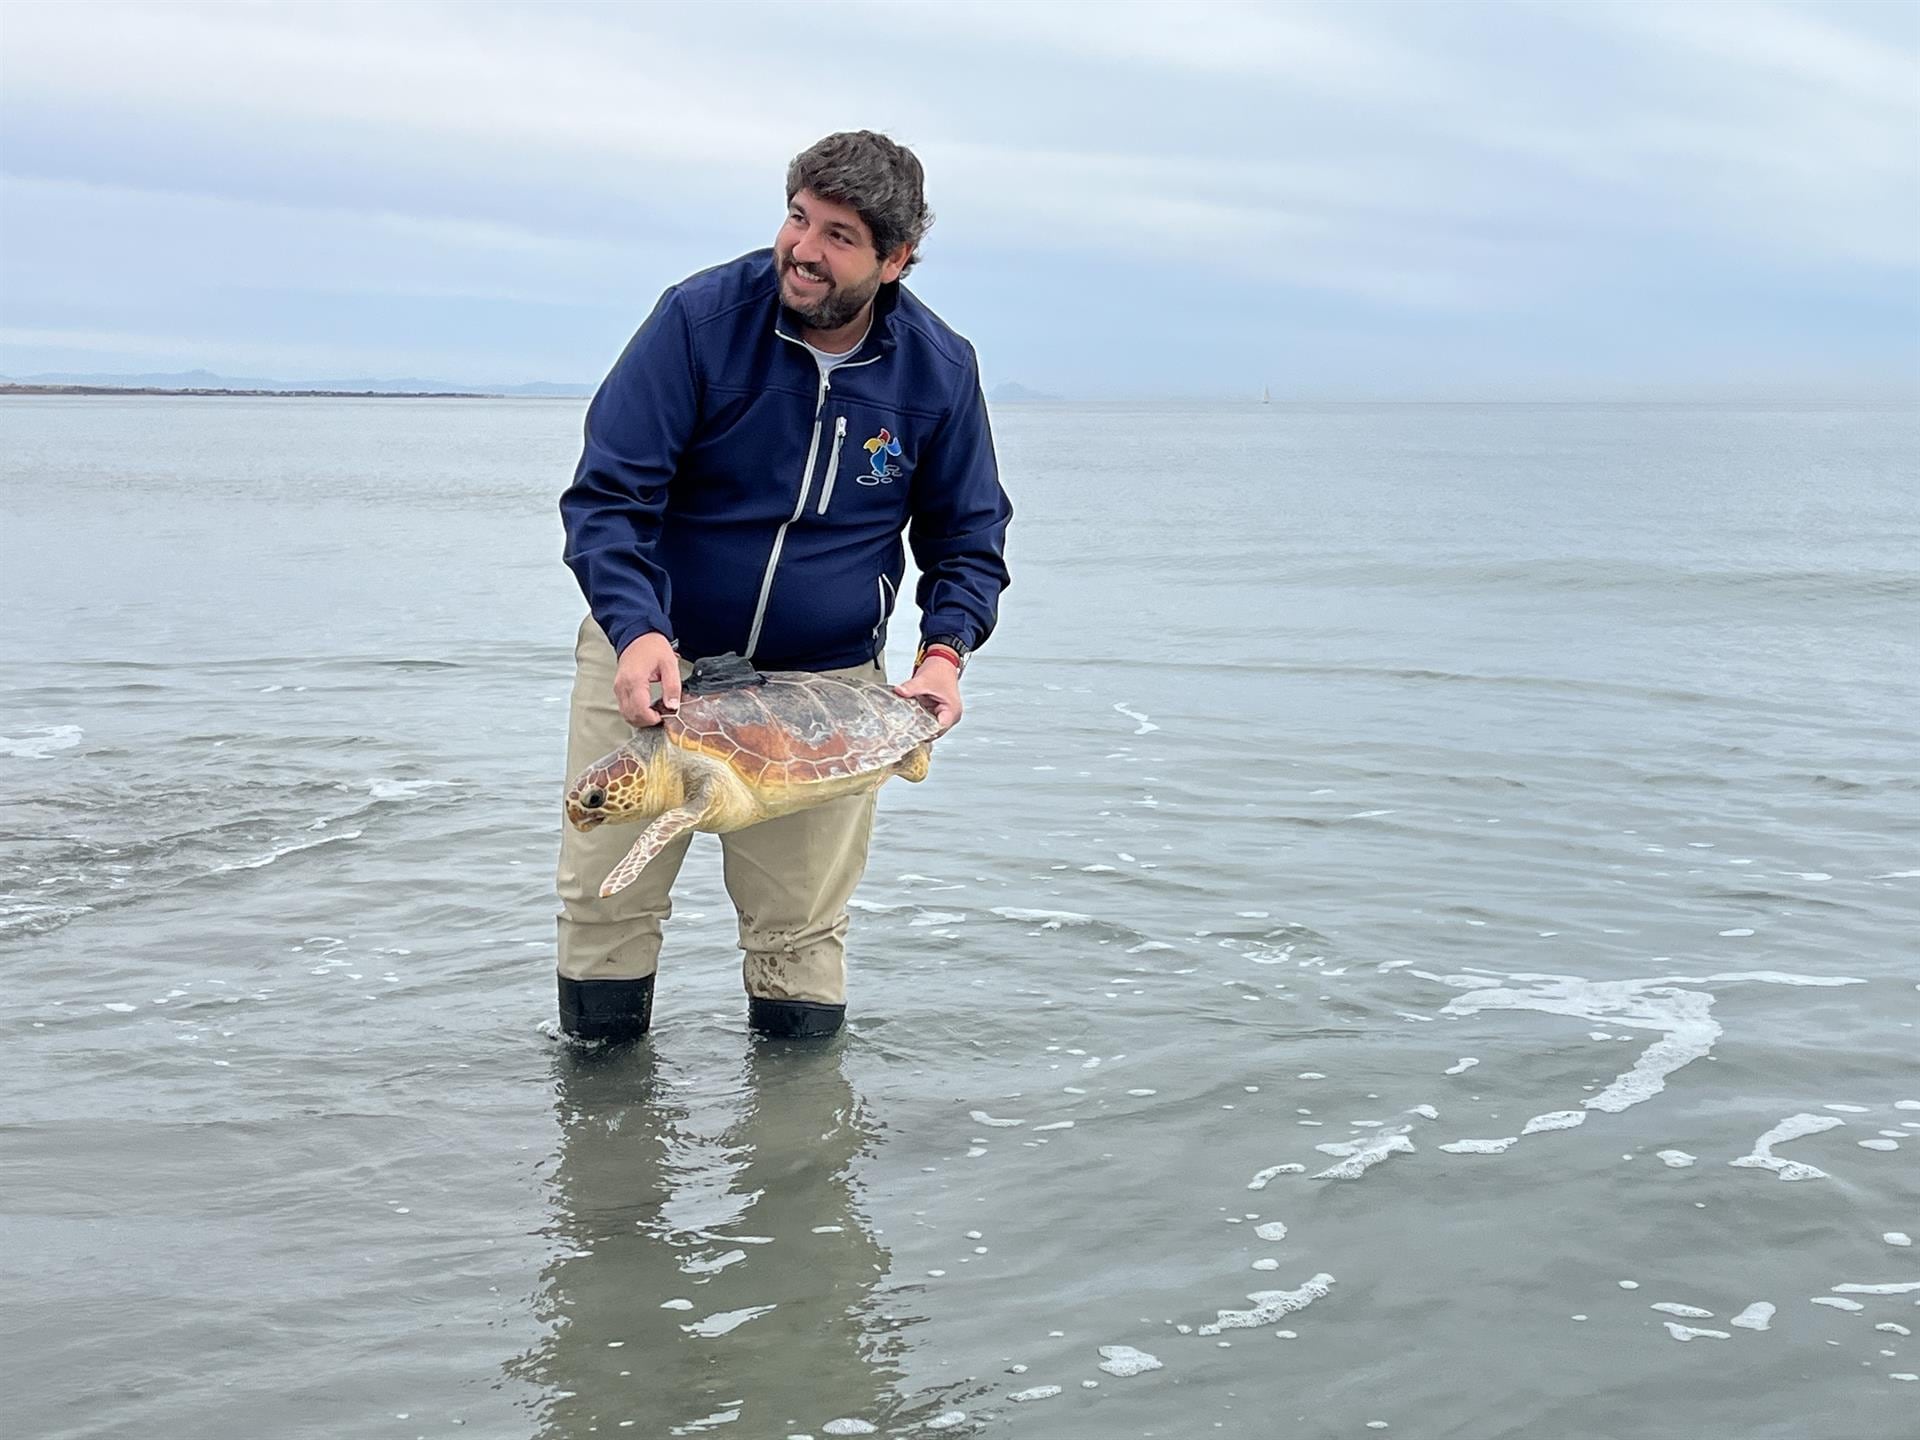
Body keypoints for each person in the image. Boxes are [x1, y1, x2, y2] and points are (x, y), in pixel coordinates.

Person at [554, 131, 1013, 1044]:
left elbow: (968, 536)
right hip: (658, 665)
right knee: (602, 905)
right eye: (797, 218)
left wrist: (945, 653)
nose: (803, 249)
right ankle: (602, 1157)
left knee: (800, 934)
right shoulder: (697, 321)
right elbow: (609, 496)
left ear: (895, 260)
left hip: (823, 693)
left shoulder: (939, 369)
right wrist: (637, 627)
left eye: (838, 235)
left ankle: (798, 1162)